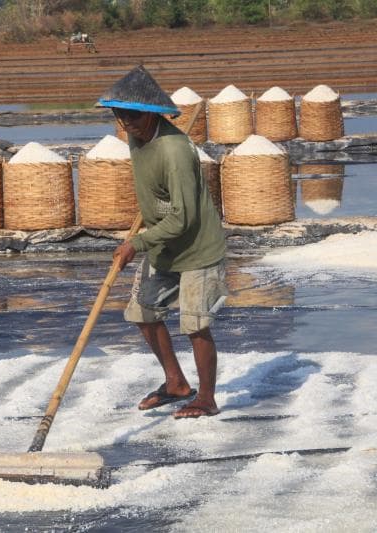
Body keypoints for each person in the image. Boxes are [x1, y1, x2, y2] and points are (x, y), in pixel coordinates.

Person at [97, 65, 228, 419]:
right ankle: (175, 383)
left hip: (198, 248)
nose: (127, 125)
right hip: (164, 246)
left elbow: (183, 217)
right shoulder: (136, 138)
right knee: (143, 312)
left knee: (195, 325)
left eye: (134, 117)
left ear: (152, 114)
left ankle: (206, 397)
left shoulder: (174, 151)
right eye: (121, 117)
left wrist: (136, 243)